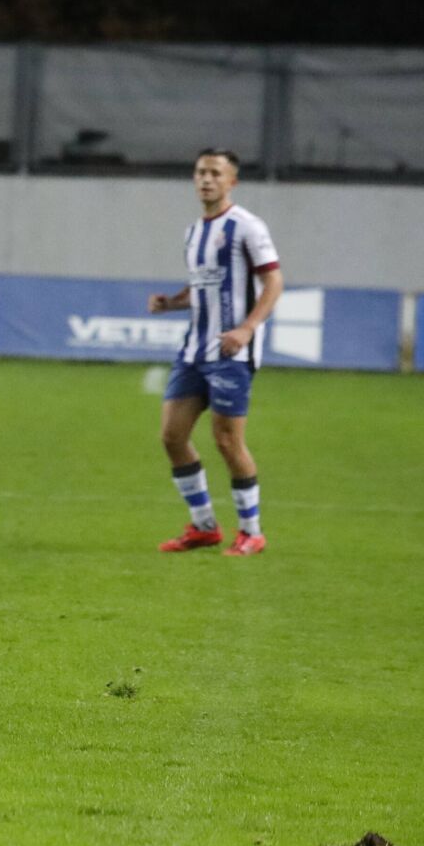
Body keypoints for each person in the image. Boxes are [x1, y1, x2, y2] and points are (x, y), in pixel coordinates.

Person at [148, 148, 282, 556]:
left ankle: (252, 531)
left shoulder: (247, 227)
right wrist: (172, 303)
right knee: (172, 437)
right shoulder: (192, 233)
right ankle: (204, 526)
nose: (206, 179)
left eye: (215, 173)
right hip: (192, 350)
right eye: (201, 172)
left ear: (231, 181)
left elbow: (273, 283)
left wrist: (246, 328)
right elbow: (204, 286)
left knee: (226, 441)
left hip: (230, 352)